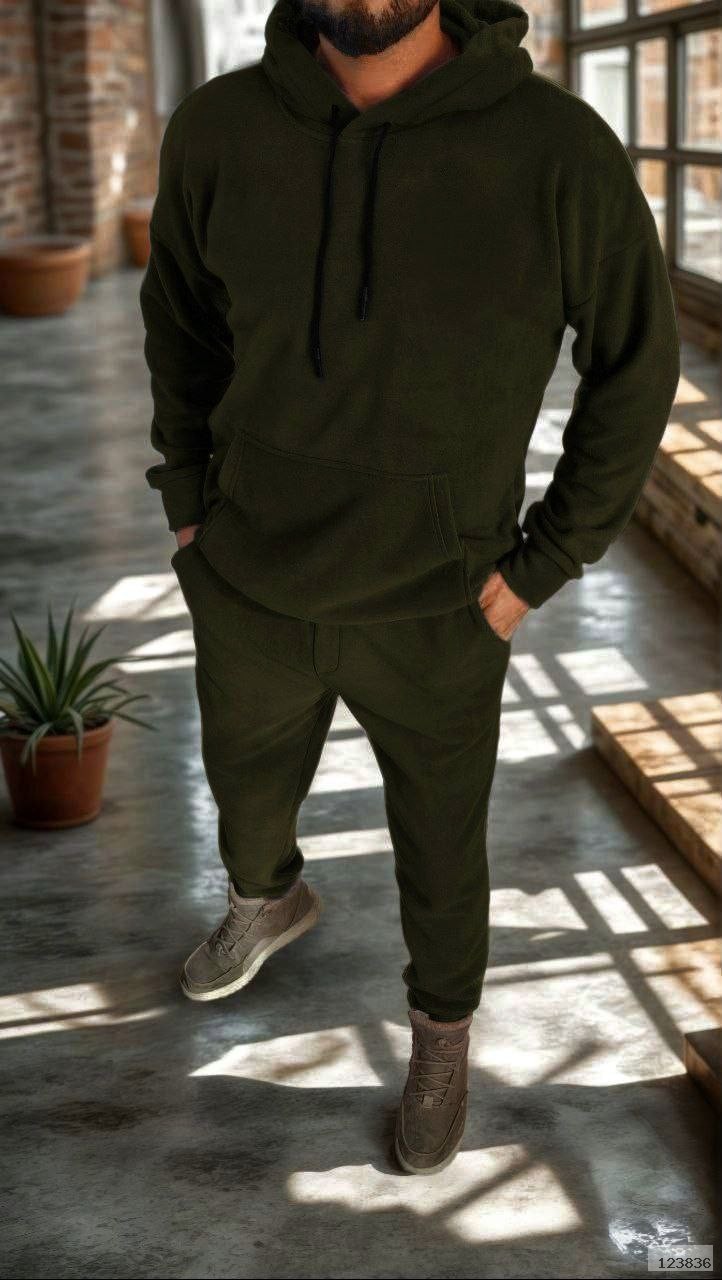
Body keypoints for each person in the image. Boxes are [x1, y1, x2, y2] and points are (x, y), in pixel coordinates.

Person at [140, 0, 680, 1175]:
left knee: (440, 848)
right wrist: (188, 500)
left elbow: (636, 366)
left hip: (441, 600)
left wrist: (539, 563)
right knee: (241, 791)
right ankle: (265, 896)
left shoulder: (555, 150)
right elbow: (178, 322)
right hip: (247, 576)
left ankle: (440, 1036)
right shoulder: (220, 129)